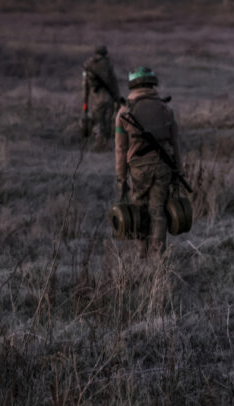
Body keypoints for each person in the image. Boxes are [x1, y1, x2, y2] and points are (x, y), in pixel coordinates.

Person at [115, 67, 181, 257]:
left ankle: (141, 253)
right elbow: (175, 143)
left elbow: (120, 150)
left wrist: (121, 179)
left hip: (138, 169)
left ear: (133, 84)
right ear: (153, 83)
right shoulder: (167, 109)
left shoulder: (124, 112)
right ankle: (157, 256)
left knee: (139, 210)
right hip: (164, 167)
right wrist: (179, 171)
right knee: (158, 211)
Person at [83, 45, 120, 151]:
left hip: (96, 99)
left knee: (98, 121)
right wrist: (117, 99)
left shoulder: (88, 65)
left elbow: (85, 86)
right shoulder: (108, 64)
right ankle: (105, 144)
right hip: (109, 99)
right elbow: (114, 83)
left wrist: (84, 103)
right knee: (107, 121)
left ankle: (98, 143)